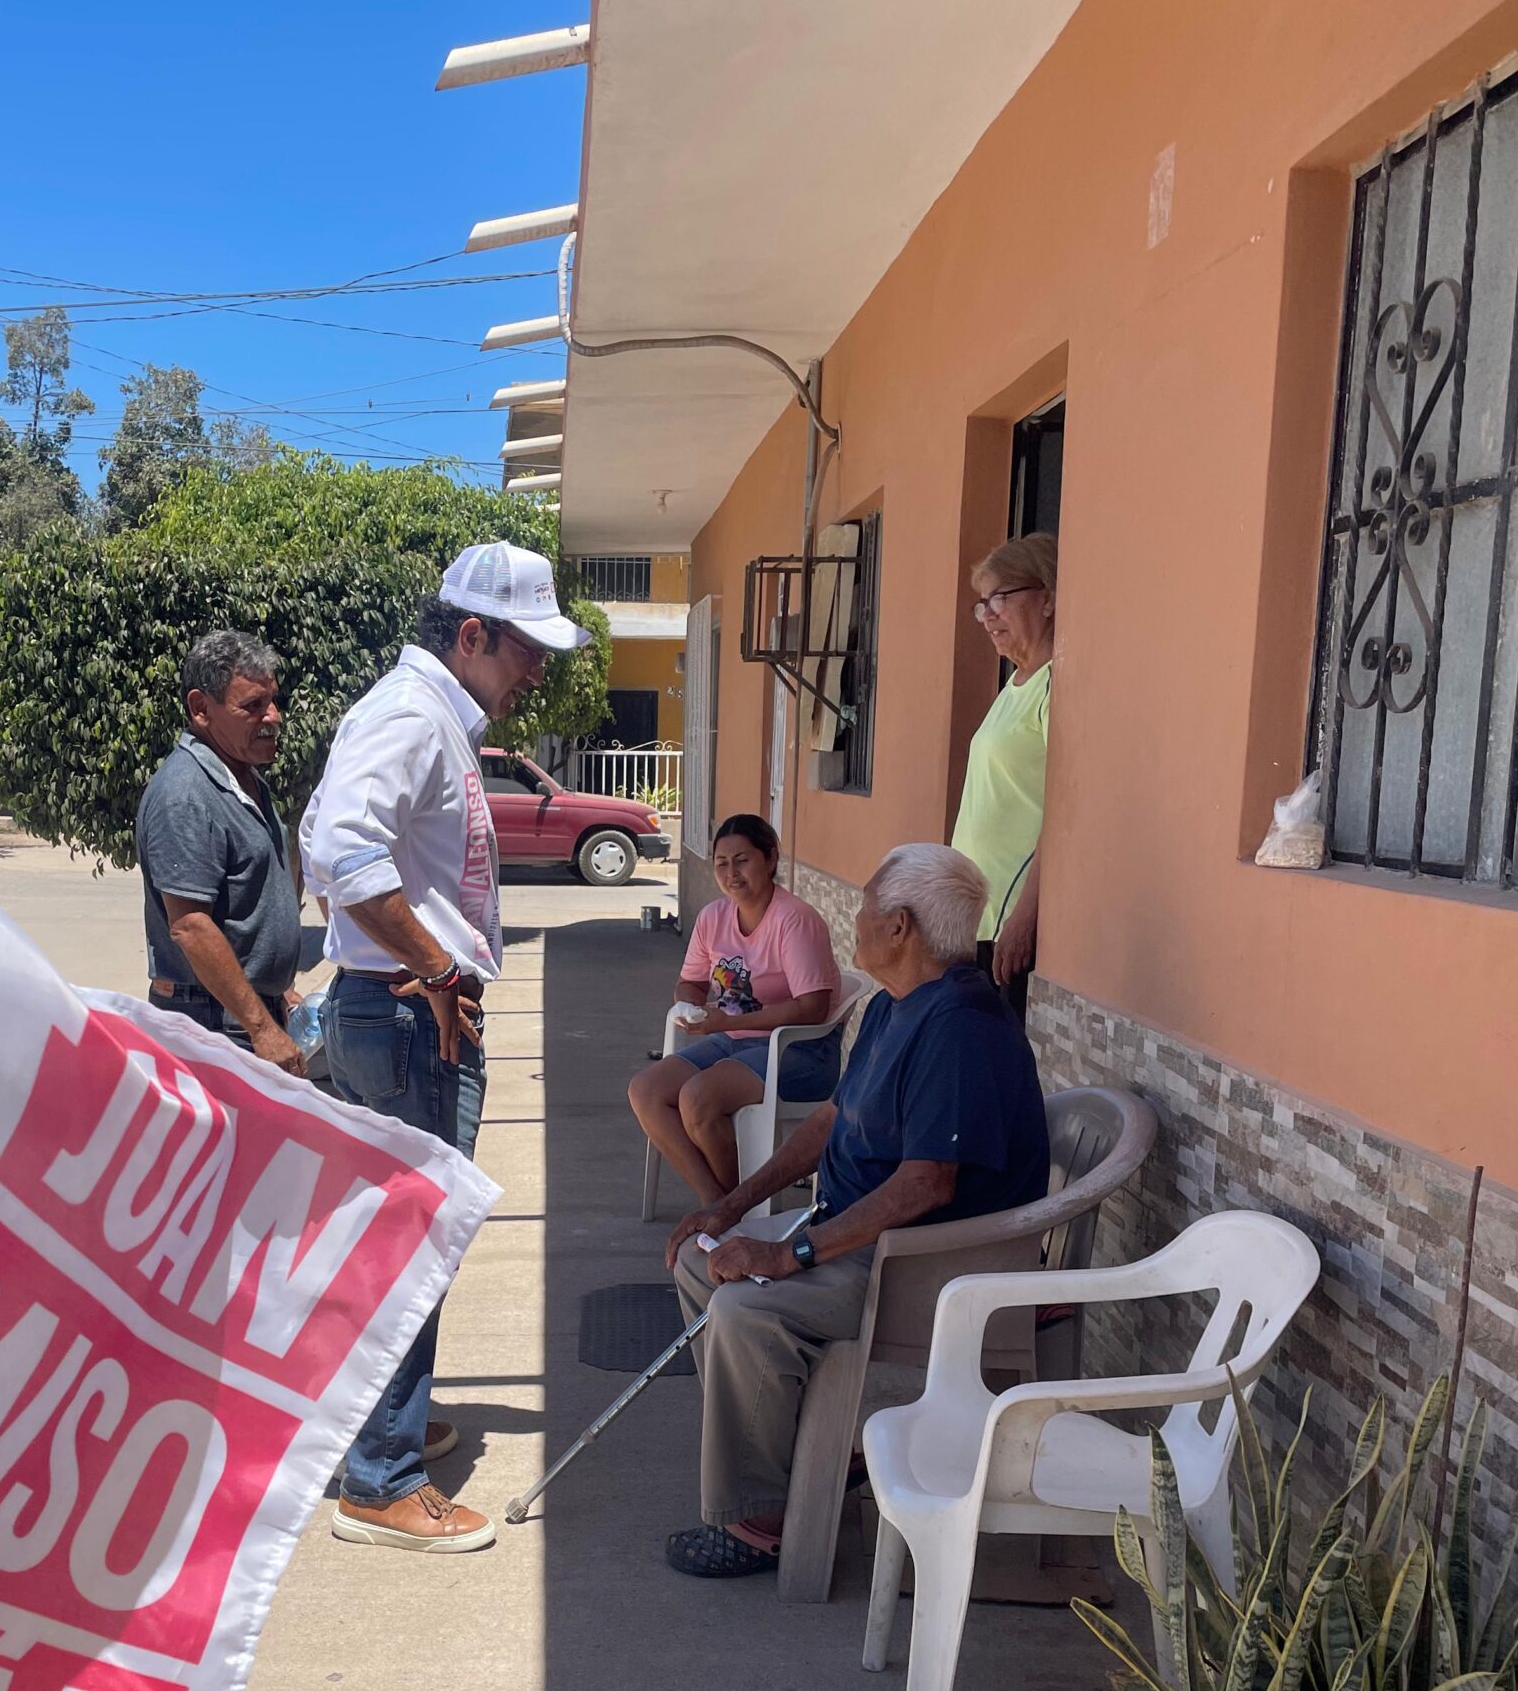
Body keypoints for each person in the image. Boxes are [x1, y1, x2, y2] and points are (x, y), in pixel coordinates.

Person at [661, 843, 1048, 1578]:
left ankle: (762, 1516)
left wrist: (789, 1255)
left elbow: (927, 1185)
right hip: (859, 1232)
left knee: (748, 1310)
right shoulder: (890, 1007)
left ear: (900, 926)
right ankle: (788, 1453)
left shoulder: (959, 1025)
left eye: (867, 908)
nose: (857, 921)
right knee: (699, 1258)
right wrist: (729, 1208)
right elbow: (827, 1124)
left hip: (925, 1267)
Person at [301, 539, 582, 1554]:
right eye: (525, 651)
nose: (536, 673)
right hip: (409, 1014)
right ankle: (380, 1480)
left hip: (405, 1007)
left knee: (405, 1242)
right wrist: (426, 966)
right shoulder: (412, 716)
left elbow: (318, 837)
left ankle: (383, 1431)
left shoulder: (421, 716)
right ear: (472, 635)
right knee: (413, 1249)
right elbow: (340, 850)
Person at [627, 813, 843, 1206]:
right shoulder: (713, 917)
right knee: (646, 1090)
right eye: (721, 863)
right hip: (730, 1040)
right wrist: (691, 1006)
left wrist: (732, 1021)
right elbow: (690, 982)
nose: (732, 873)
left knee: (698, 1099)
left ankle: (736, 1208)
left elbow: (814, 1007)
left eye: (742, 860)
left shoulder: (794, 920)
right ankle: (717, 1202)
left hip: (797, 1052)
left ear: (771, 858)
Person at [135, 630, 307, 1077]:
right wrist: (261, 1028)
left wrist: (278, 994)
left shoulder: (243, 778)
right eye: (252, 706)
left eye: (272, 700)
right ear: (200, 709)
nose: (273, 717)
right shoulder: (186, 793)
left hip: (242, 1016)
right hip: (215, 1023)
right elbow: (191, 926)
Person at [950, 533, 1058, 1020]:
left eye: (1000, 598)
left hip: (1007, 922)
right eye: (982, 604)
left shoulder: (1055, 686)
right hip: (974, 916)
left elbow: (1062, 814)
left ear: (1048, 597)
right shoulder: (1014, 684)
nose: (988, 615)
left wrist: (1025, 917)